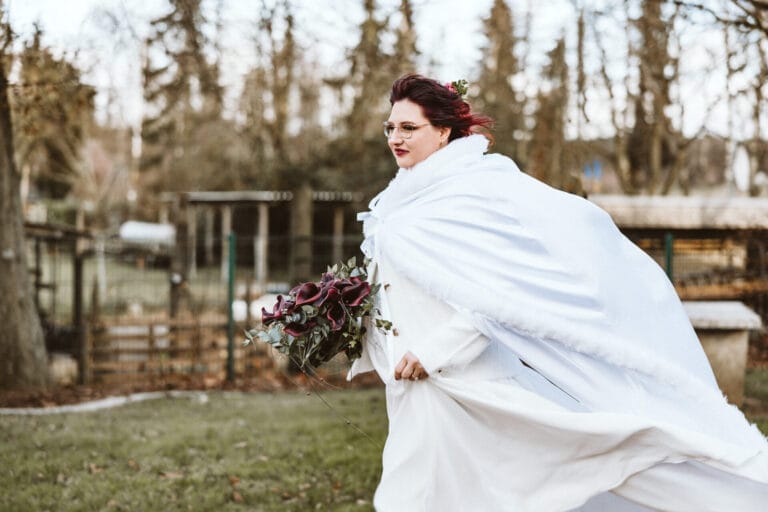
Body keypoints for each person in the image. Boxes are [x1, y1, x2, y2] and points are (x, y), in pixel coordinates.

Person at [347, 73, 768, 511]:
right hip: (414, 390)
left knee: (612, 459)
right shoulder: (401, 199)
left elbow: (500, 295)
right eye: (390, 128)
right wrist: (344, 320)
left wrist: (434, 353)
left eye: (409, 128)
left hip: (466, 383)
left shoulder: (469, 194)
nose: (395, 137)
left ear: (443, 131)